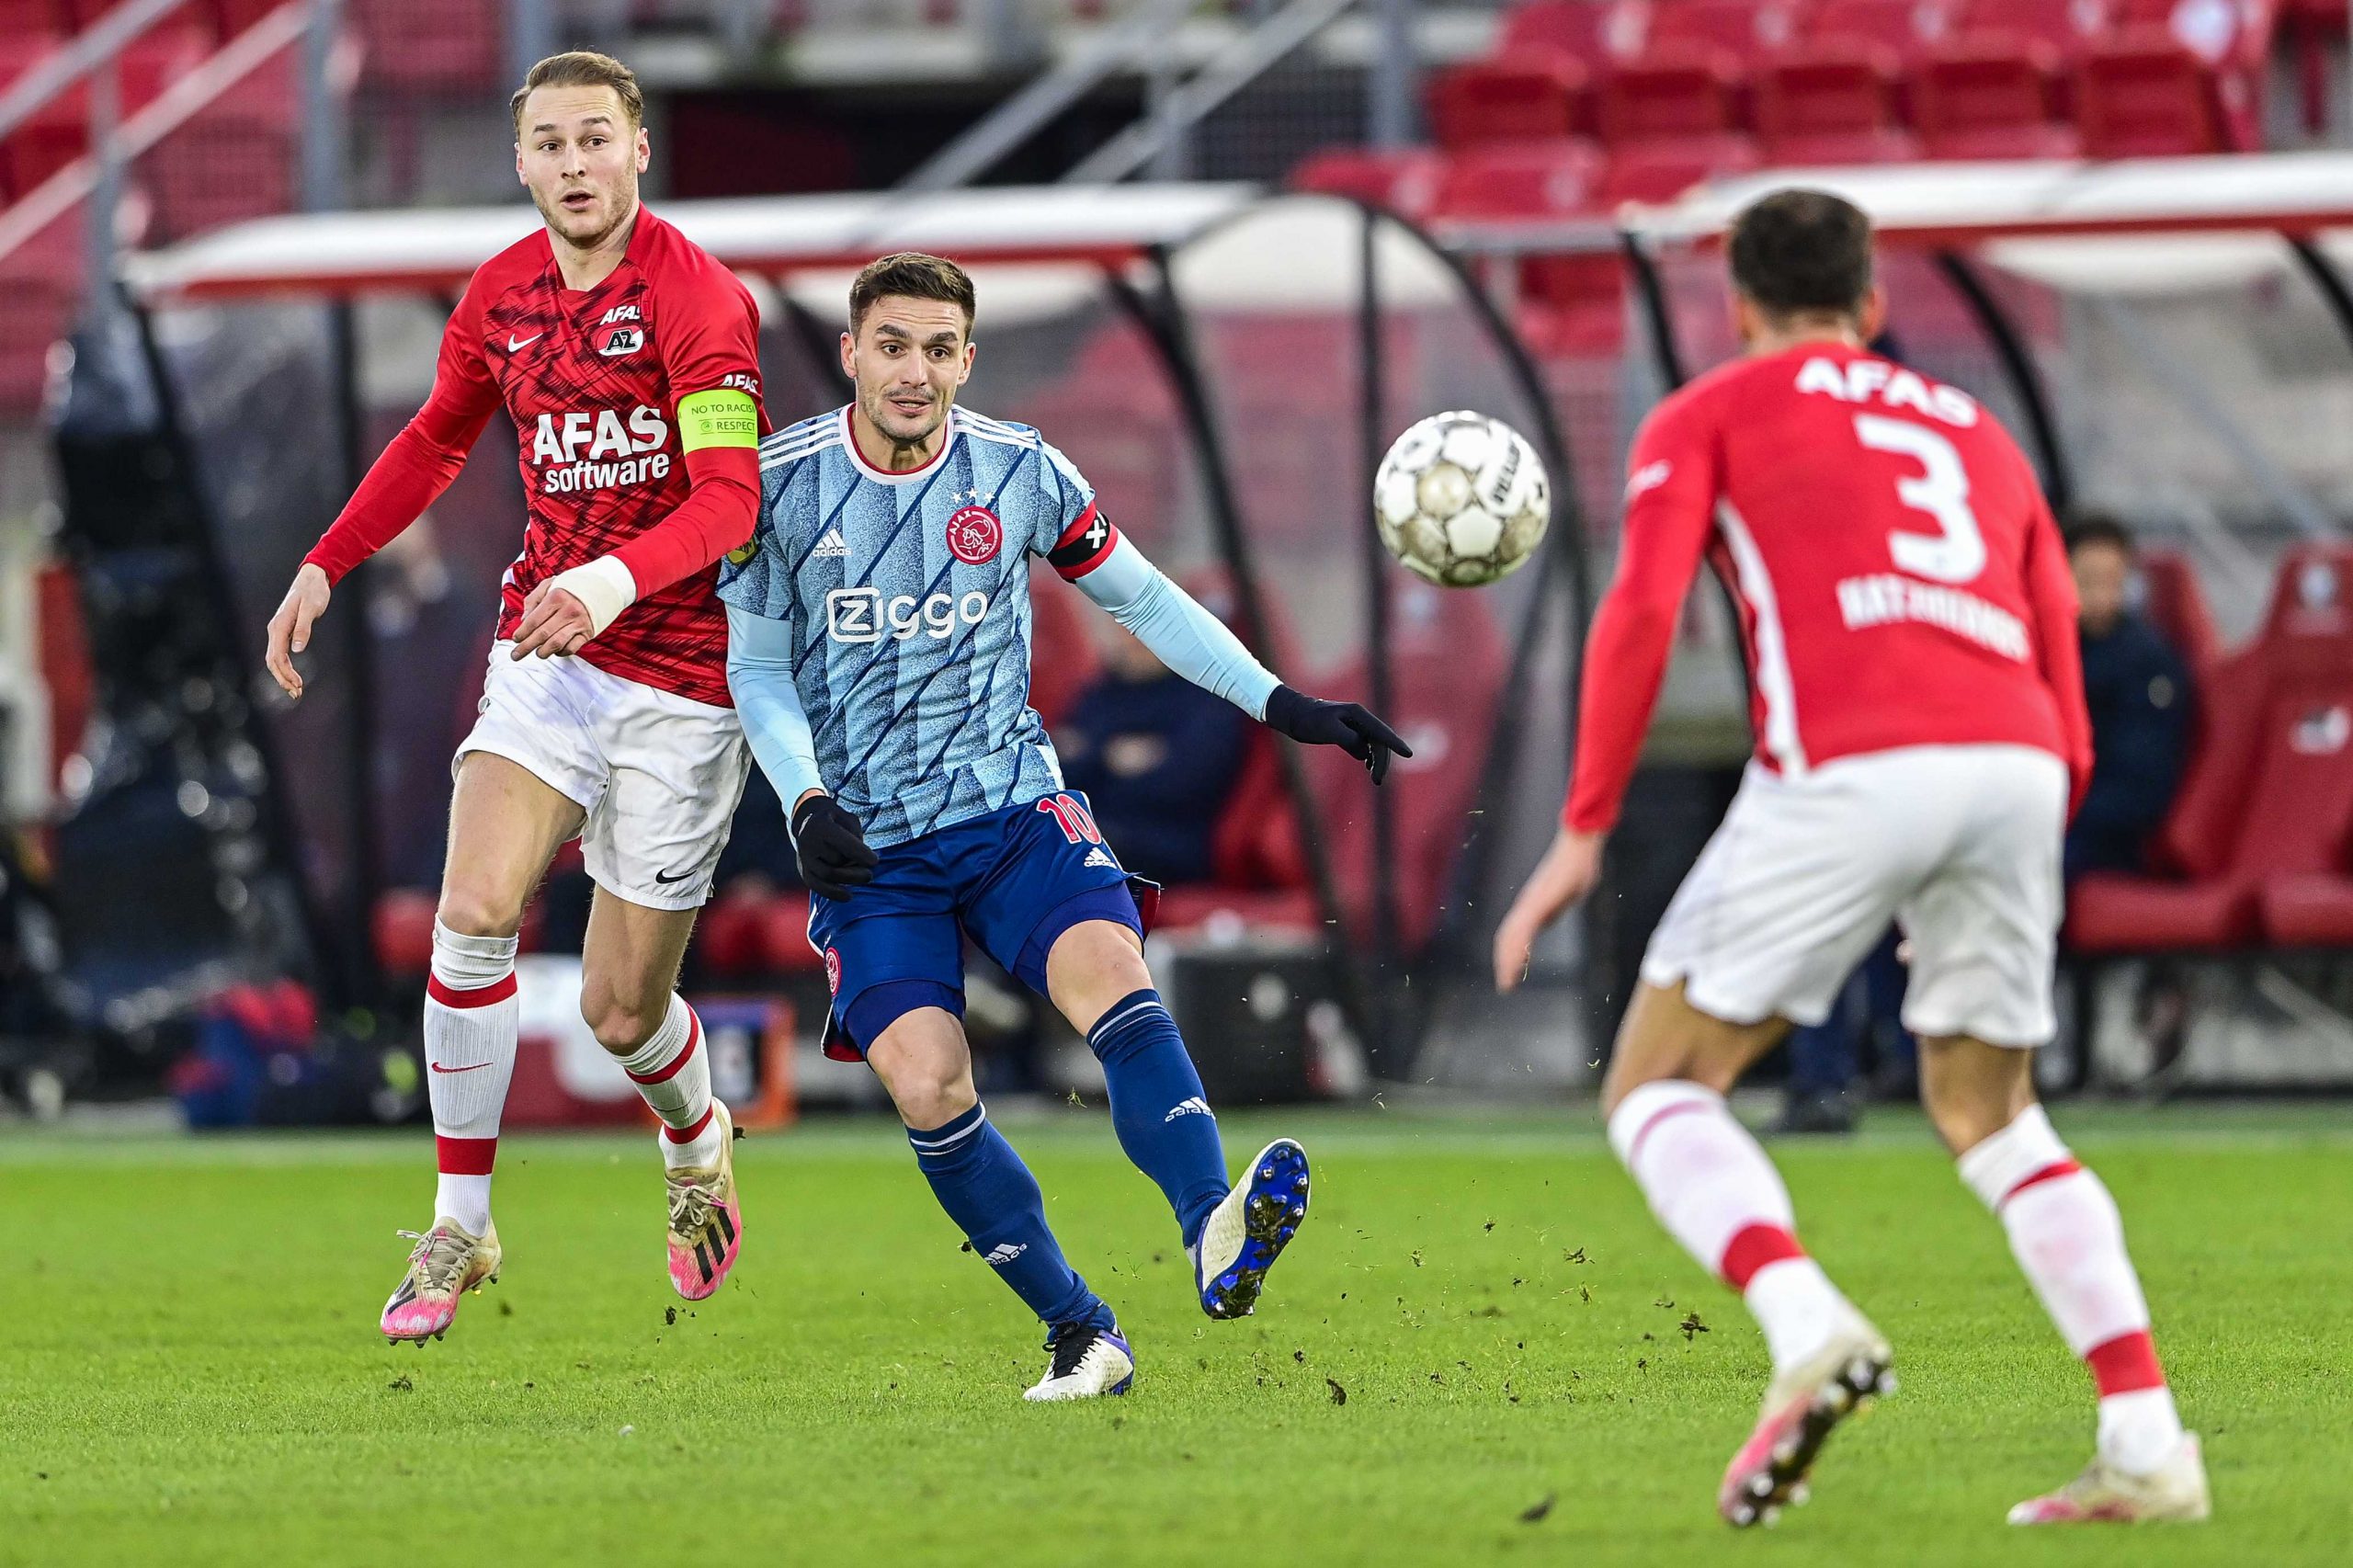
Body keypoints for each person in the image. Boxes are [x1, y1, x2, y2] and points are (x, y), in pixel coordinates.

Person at [1492, 190, 2206, 1528]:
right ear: (1872, 308)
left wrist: (1585, 822)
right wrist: (2028, 814)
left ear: (1739, 309)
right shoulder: (1979, 430)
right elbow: (2053, 623)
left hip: (1853, 759)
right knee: (1993, 1111)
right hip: (2020, 760)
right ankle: (2148, 1439)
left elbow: (1643, 606)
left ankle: (1805, 1320)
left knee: (1657, 1085)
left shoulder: (1708, 410)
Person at [722, 253, 1408, 1402]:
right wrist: (805, 797)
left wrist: (1280, 702)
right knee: (930, 1088)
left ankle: (1213, 1228)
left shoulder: (1019, 468)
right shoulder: (776, 486)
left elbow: (1141, 597)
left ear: (966, 360)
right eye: (892, 344)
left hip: (1010, 810)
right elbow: (755, 667)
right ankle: (1080, 1329)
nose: (915, 371)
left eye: (940, 349)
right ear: (849, 353)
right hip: (870, 851)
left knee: (1116, 980)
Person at [262, 51, 767, 1343]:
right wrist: (327, 558)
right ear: (524, 161)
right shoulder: (502, 295)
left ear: (639, 149)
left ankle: (699, 1141)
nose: (572, 165)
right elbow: (438, 433)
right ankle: (462, 1221)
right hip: (549, 653)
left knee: (619, 1011)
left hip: (681, 679)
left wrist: (610, 579)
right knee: (473, 908)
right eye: (548, 145)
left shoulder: (697, 298)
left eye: (595, 139)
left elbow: (728, 501)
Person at [1054, 624, 1250, 886]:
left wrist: (1091, 756)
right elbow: (1059, 773)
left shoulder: (1206, 697)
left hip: (1171, 844)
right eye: (1127, 627)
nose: (1137, 639)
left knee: (1069, 847)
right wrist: (1110, 758)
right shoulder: (1102, 691)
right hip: (1096, 826)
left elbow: (1179, 785)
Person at [2064, 513, 2195, 881]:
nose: (2101, 595)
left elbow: (2141, 790)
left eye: (2113, 581)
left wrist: (2055, 812)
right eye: (2087, 580)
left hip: (2105, 841)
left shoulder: (2148, 663)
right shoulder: (2040, 649)